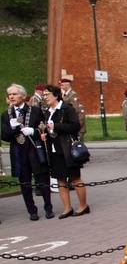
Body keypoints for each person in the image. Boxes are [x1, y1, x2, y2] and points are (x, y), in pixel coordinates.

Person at [1, 84, 54, 220]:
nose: (12, 97)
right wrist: (13, 129)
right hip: (18, 152)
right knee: (24, 182)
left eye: (15, 94)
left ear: (23, 96)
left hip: (34, 150)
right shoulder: (6, 115)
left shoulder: (35, 110)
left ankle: (48, 207)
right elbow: (4, 136)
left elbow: (43, 127)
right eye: (10, 95)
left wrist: (34, 131)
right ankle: (32, 210)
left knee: (42, 179)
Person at [41, 84, 88, 218]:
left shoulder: (66, 108)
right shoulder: (47, 111)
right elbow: (47, 128)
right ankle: (67, 208)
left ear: (55, 95)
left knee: (75, 177)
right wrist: (45, 133)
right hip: (54, 149)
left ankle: (83, 205)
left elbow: (75, 126)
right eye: (44, 95)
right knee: (60, 179)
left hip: (67, 148)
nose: (45, 97)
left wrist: (56, 126)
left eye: (47, 94)